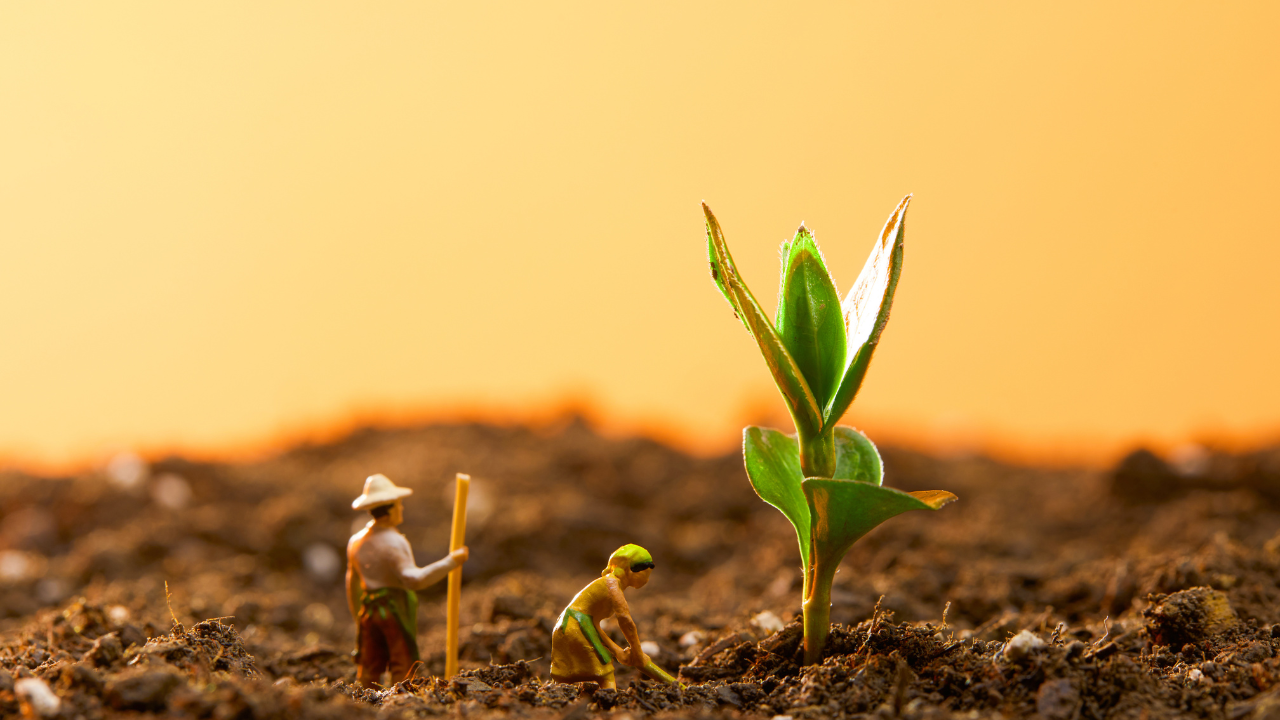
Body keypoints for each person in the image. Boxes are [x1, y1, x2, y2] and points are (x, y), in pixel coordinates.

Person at [346, 473, 469, 687]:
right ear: (390, 508)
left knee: (369, 661)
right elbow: (414, 580)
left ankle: (363, 698)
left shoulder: (356, 541)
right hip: (394, 609)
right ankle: (400, 698)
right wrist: (451, 562)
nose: (401, 509)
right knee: (402, 659)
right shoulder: (394, 542)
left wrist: (357, 613)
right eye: (398, 505)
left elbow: (352, 581)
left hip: (369, 609)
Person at [550, 544, 657, 690]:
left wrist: (618, 652)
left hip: (569, 625)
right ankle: (610, 703)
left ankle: (558, 698)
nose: (647, 579)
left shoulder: (610, 584)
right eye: (646, 572)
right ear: (630, 569)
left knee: (566, 677)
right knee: (605, 673)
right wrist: (637, 652)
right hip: (575, 625)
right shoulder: (612, 584)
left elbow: (593, 625)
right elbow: (625, 620)